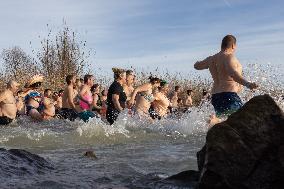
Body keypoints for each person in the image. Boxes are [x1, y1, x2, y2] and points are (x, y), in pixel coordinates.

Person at [194, 34, 258, 125]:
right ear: (233, 45)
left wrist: (197, 63)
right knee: (242, 119)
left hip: (216, 97)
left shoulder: (211, 59)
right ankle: (216, 120)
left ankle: (216, 121)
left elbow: (197, 66)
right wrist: (248, 84)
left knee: (228, 124)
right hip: (228, 95)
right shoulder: (229, 56)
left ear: (222, 45)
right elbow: (232, 73)